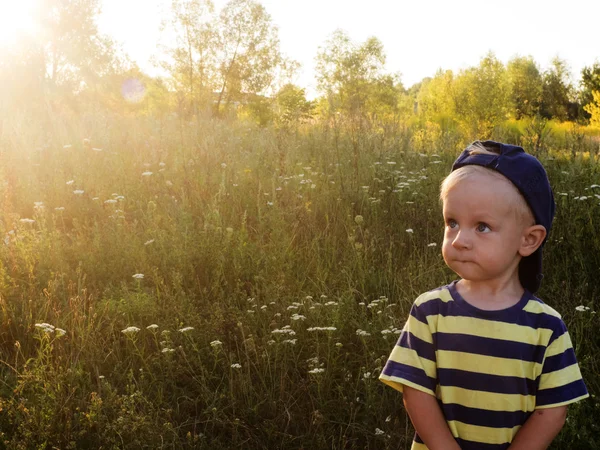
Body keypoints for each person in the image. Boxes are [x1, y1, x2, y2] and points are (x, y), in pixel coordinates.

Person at [379, 141, 589, 450]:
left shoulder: (546, 327)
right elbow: (415, 391)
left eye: (482, 227)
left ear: (528, 240)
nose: (460, 240)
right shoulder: (430, 311)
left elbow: (552, 410)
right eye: (452, 223)